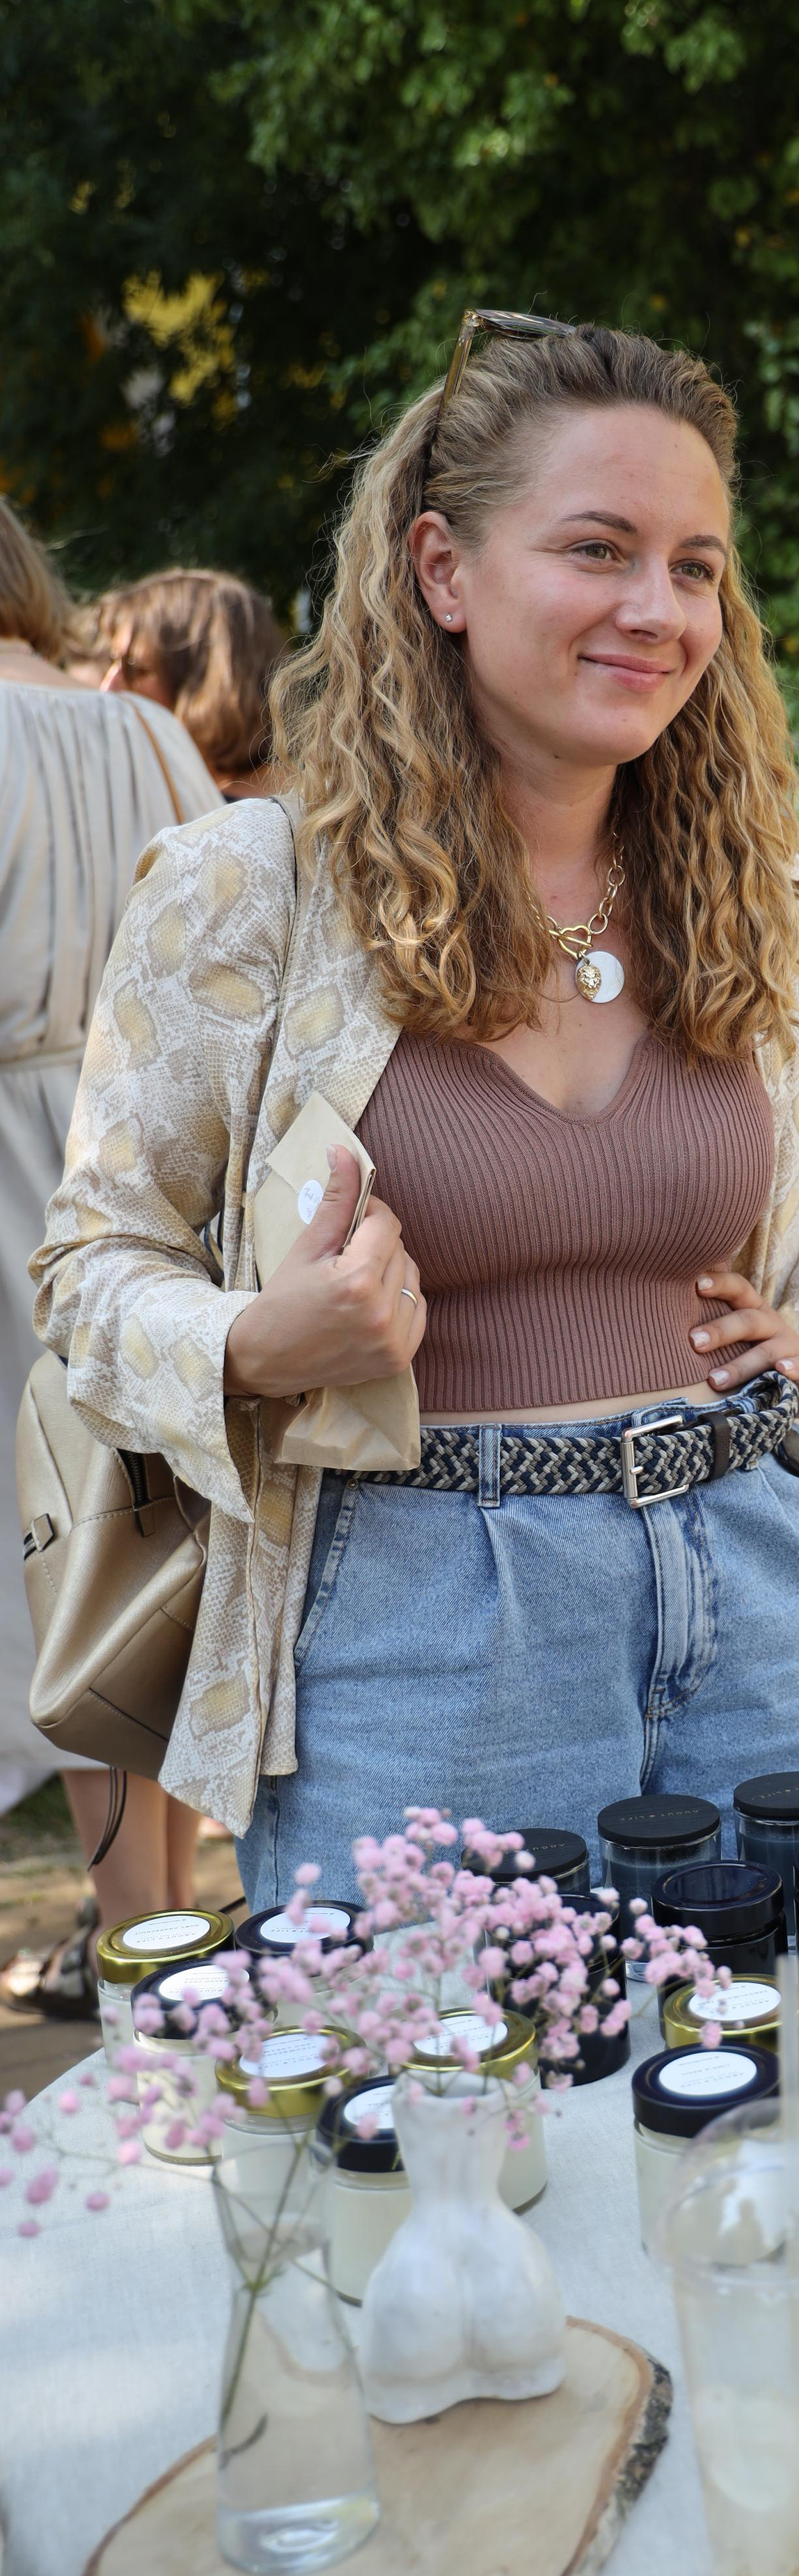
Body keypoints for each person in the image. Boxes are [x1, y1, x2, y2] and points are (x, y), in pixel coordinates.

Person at [33, 316, 799, 1905]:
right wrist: (265, 1342)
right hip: (425, 1615)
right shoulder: (251, 893)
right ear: (444, 572)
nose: (656, 609)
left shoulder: (742, 894)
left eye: (693, 565)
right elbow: (89, 1275)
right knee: (452, 2117)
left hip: (759, 1578)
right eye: (597, 549)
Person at [0, 501, 219, 1991]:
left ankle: (131, 1925)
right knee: (153, 1526)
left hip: (12, 1160)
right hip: (152, 1151)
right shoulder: (149, 737)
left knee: (52, 1547)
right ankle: (166, 1908)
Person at [96, 567, 285, 799]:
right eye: (112, 662)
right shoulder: (311, 799)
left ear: (207, 682)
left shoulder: (210, 822)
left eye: (135, 669)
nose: (108, 688)